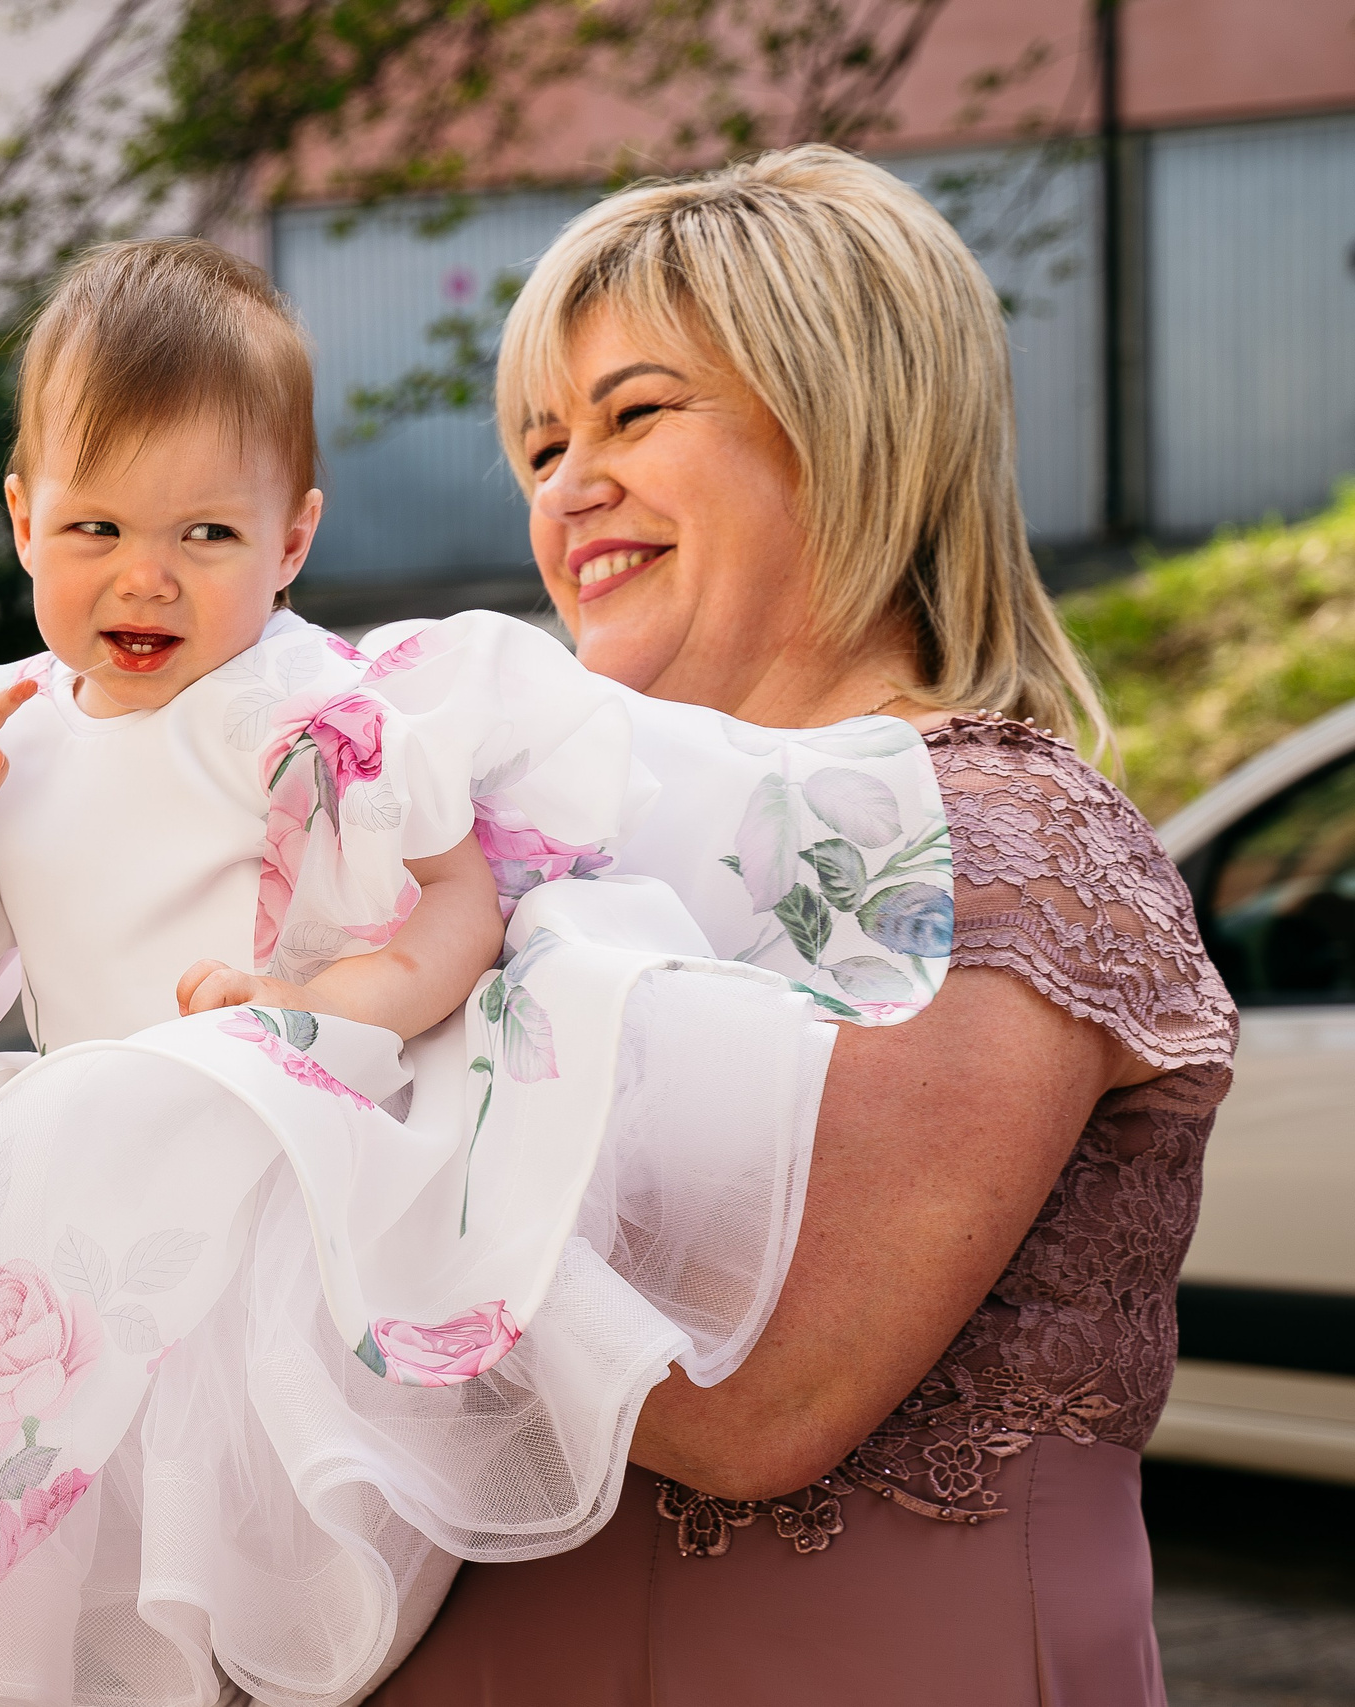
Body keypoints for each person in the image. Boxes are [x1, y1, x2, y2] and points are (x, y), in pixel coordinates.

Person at [0, 238, 959, 1706]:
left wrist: (312, 1015)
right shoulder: (4, 729)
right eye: (95, 527)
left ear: (291, 540)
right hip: (95, 1196)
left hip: (284, 1171)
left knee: (274, 1547)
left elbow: (457, 910)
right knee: (107, 1563)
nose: (143, 576)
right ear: (24, 522)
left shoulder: (314, 714)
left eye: (205, 537)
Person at [371, 146, 1237, 1706]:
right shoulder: (515, 868)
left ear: (851, 424)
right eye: (541, 442)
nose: (566, 487)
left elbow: (757, 1404)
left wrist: (317, 1147)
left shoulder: (1008, 838)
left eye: (634, 414)